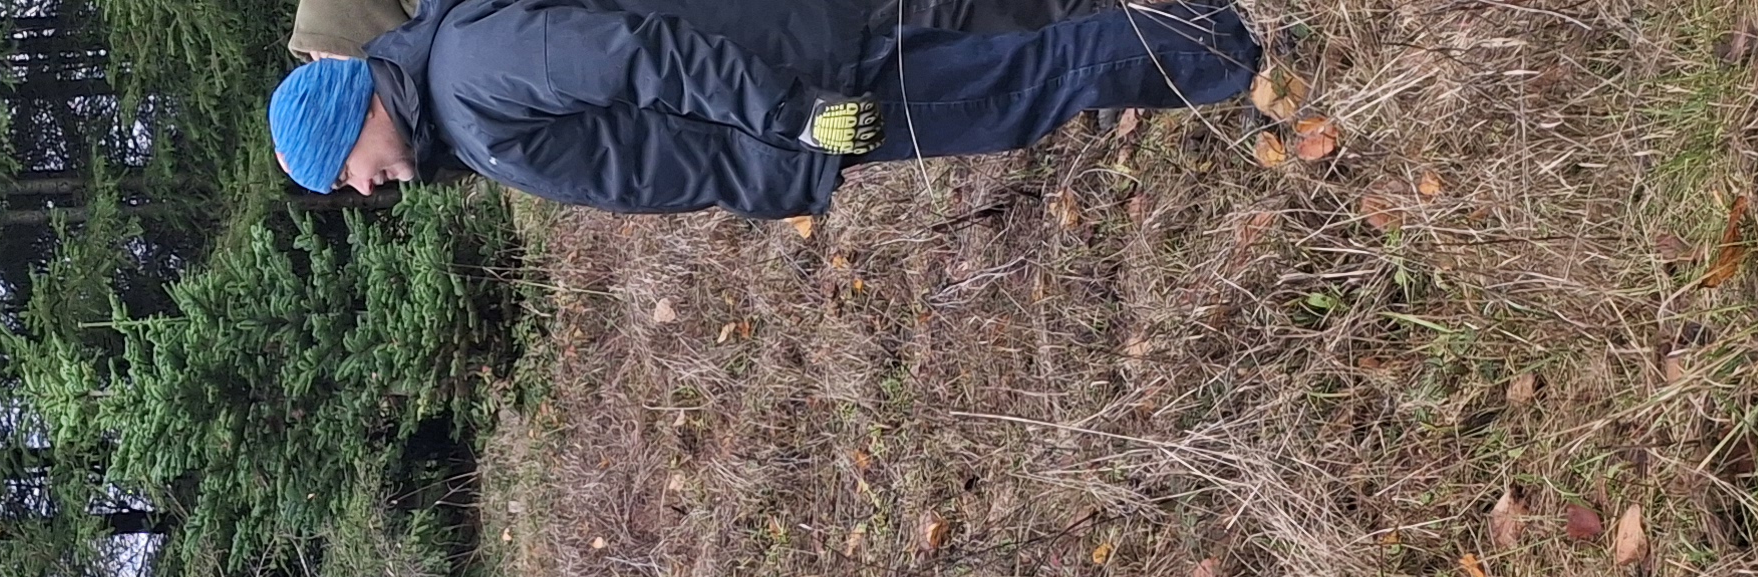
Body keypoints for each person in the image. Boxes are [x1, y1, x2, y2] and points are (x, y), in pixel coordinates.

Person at [265, 0, 1261, 225]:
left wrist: (794, 116)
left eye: (345, 169)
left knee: (1012, 89)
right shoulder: (459, 107)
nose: (364, 187)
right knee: (999, 60)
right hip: (797, 89)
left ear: (353, 120)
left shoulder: (475, 72)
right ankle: (1196, 34)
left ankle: (1226, 47)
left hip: (809, 88)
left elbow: (645, 57)